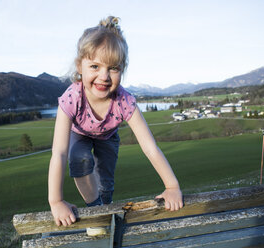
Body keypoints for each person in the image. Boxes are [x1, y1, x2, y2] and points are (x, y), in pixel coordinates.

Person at [48, 16, 183, 230]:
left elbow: (150, 147)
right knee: (79, 158)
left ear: (122, 69)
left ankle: (104, 207)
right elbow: (59, 153)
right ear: (79, 66)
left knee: (106, 183)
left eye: (113, 68)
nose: (104, 76)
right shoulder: (72, 97)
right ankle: (95, 211)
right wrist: (56, 201)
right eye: (94, 66)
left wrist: (172, 186)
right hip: (80, 134)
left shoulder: (124, 101)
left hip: (108, 137)